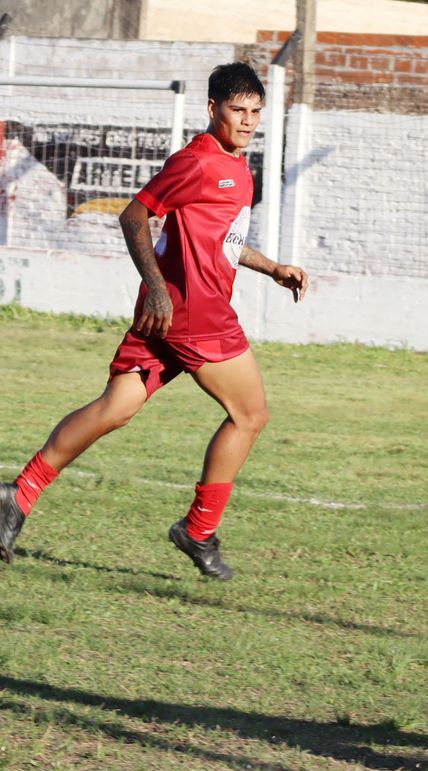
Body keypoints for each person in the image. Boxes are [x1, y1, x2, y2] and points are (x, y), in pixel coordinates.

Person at [0, 62, 307, 580]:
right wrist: (161, 289)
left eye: (256, 111)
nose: (249, 121)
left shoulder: (236, 164)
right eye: (238, 110)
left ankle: (16, 495)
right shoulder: (199, 161)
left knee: (115, 408)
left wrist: (271, 267)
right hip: (195, 313)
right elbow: (135, 214)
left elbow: (219, 242)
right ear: (213, 109)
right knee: (249, 415)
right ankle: (199, 529)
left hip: (171, 314)